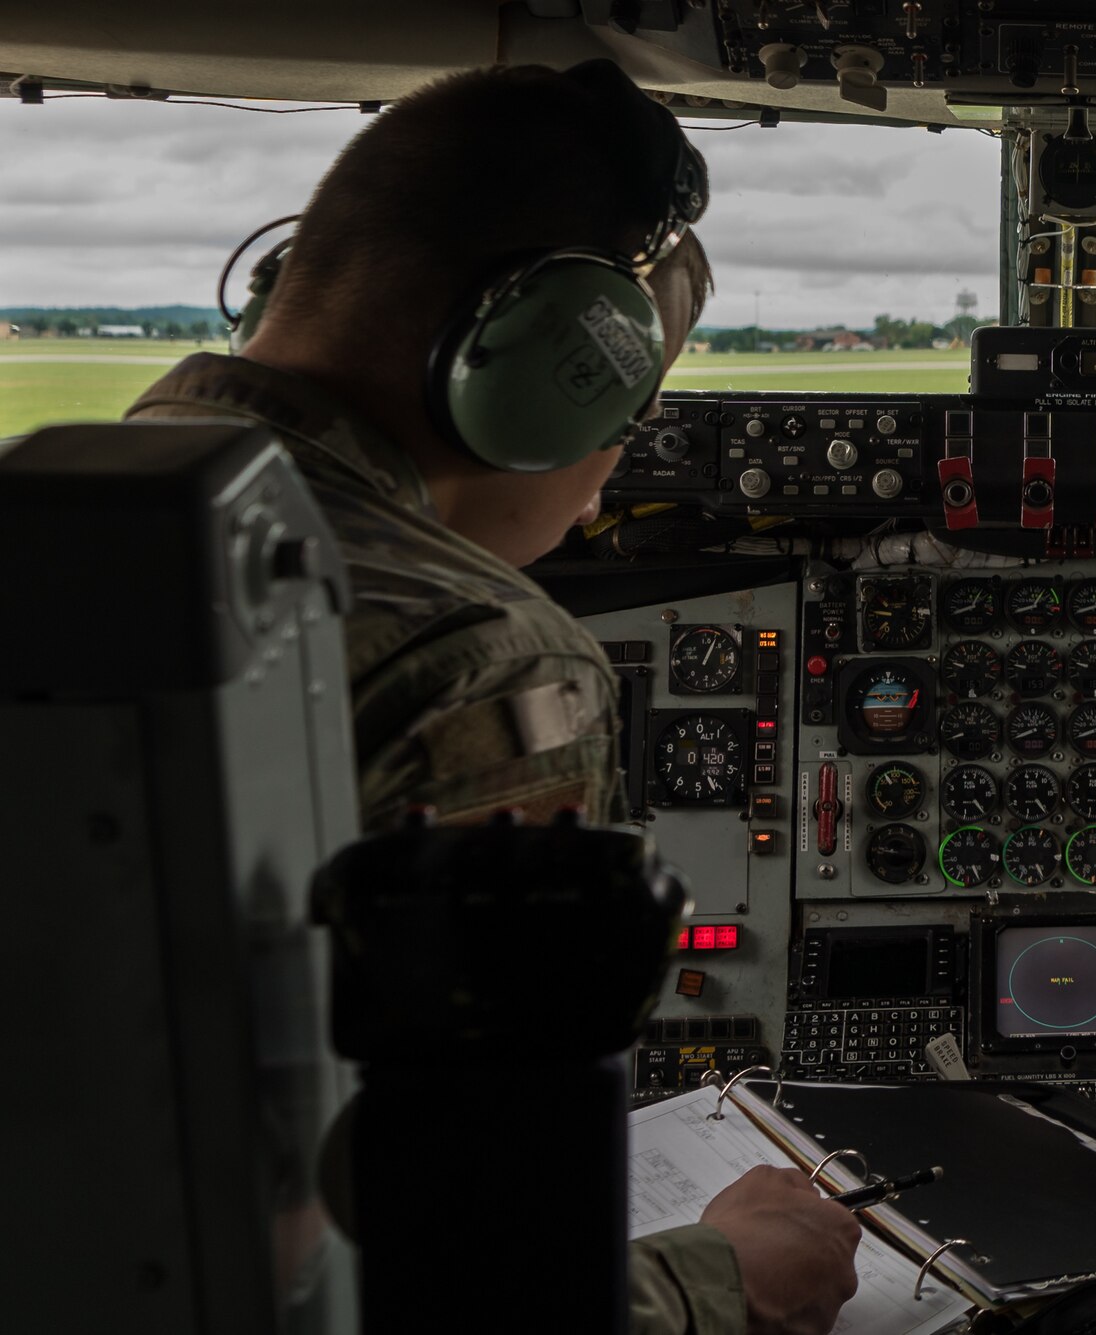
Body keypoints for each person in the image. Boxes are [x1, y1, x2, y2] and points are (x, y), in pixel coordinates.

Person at [125, 61, 860, 1335]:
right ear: (547, 370)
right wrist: (718, 1284)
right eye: (630, 401)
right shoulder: (477, 657)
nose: (601, 475)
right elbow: (470, 1282)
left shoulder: (53, 500)